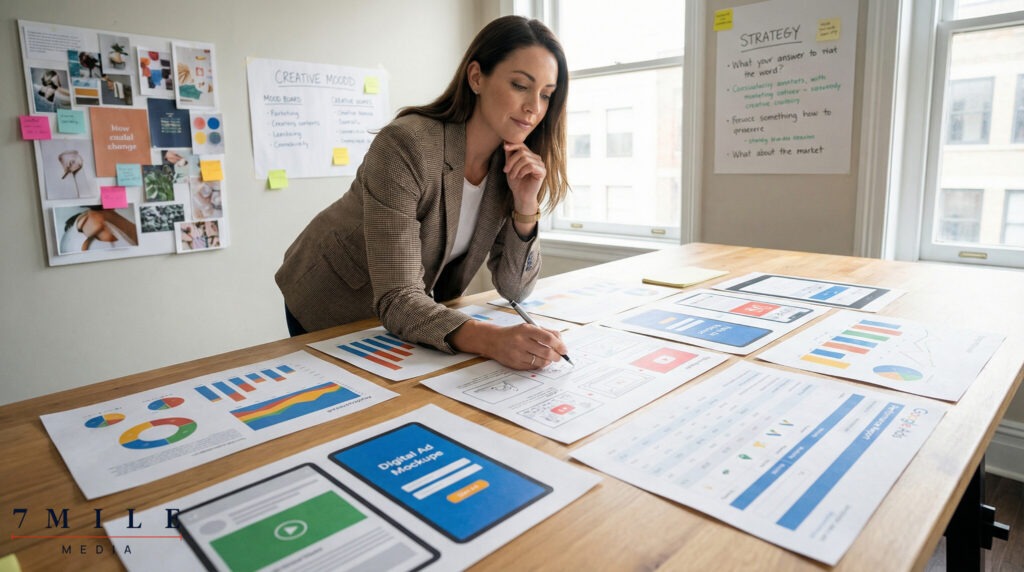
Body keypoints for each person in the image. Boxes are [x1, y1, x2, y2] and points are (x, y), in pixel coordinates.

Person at [276, 15, 570, 371]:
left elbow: (515, 290)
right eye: (521, 86)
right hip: (332, 294)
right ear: (477, 77)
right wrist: (492, 339)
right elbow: (398, 296)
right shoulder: (406, 143)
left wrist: (525, 204)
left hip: (404, 310)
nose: (534, 108)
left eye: (546, 95)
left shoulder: (510, 167)